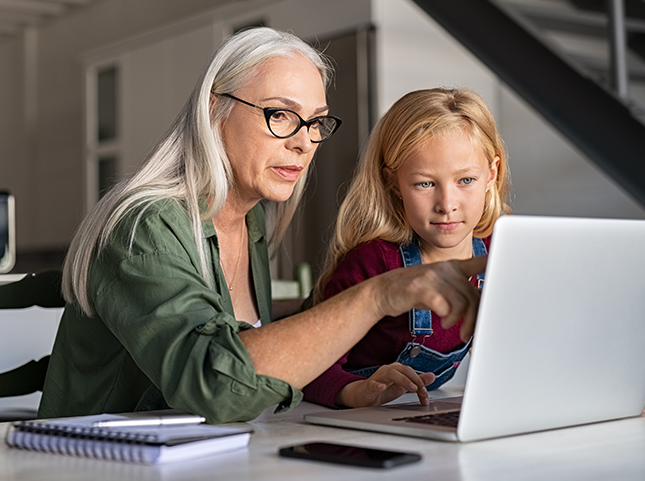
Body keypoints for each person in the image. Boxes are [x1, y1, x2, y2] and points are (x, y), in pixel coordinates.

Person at [38, 28, 487, 424]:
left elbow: (259, 366)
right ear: (215, 109)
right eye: (280, 114)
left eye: (314, 122)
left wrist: (357, 385)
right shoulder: (145, 226)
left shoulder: (248, 220)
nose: (303, 142)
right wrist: (379, 294)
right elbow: (213, 385)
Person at [302, 88, 512, 409]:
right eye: (425, 184)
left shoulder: (501, 253)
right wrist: (360, 393)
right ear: (393, 184)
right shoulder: (372, 262)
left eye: (466, 180)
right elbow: (310, 369)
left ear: (491, 174)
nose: (447, 205)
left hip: (422, 412)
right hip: (357, 420)